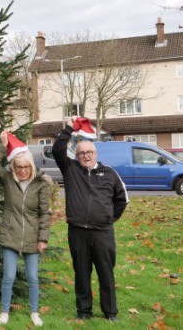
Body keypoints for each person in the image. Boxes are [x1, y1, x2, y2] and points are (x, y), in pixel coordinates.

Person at [53, 116, 129, 321]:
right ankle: (84, 311)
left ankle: (110, 312)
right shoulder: (70, 170)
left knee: (106, 273)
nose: (86, 156)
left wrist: (108, 219)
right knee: (82, 273)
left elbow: (122, 200)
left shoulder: (110, 173)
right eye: (81, 153)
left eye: (89, 152)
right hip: (77, 231)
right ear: (76, 155)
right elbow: (57, 150)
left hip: (103, 232)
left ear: (96, 153)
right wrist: (68, 128)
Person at [0, 131, 52, 327]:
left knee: (33, 277)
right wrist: (3, 144)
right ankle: (4, 311)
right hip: (11, 234)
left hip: (33, 237)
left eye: (26, 166)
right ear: (14, 167)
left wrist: (43, 238)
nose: (23, 170)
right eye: (19, 166)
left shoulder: (41, 184)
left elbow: (45, 213)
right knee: (8, 276)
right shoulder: (8, 179)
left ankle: (34, 312)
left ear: (31, 166)